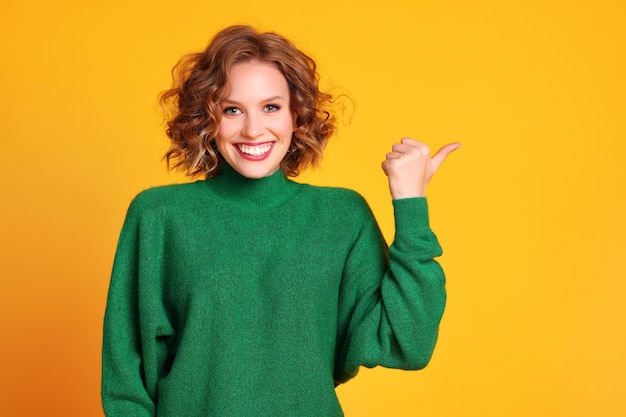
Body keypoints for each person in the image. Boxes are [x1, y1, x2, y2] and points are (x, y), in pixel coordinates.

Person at [102, 24, 459, 417]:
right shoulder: (160, 216)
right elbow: (125, 376)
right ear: (207, 119)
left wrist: (411, 204)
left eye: (271, 107)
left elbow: (408, 343)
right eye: (232, 109)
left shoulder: (341, 217)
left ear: (297, 116)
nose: (253, 129)